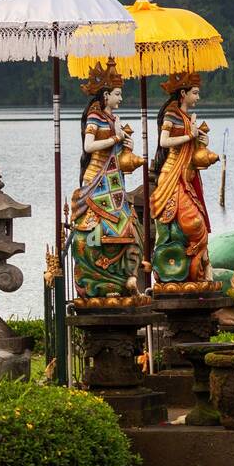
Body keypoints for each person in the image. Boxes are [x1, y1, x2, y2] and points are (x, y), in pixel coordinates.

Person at [69, 59, 141, 300]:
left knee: (128, 224)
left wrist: (126, 147)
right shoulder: (95, 117)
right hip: (96, 178)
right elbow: (89, 146)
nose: (121, 98)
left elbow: (118, 153)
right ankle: (97, 273)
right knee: (95, 228)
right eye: (118, 94)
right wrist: (114, 139)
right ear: (106, 94)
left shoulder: (113, 119)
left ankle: (122, 274)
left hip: (114, 180)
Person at [149, 71, 214, 283]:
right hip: (172, 176)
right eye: (195, 93)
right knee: (194, 223)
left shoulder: (186, 117)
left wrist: (201, 141)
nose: (198, 97)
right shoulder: (172, 114)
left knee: (200, 222)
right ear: (183, 93)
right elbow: (164, 141)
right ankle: (179, 268)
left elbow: (193, 150)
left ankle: (199, 271)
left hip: (187, 176)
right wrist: (189, 136)